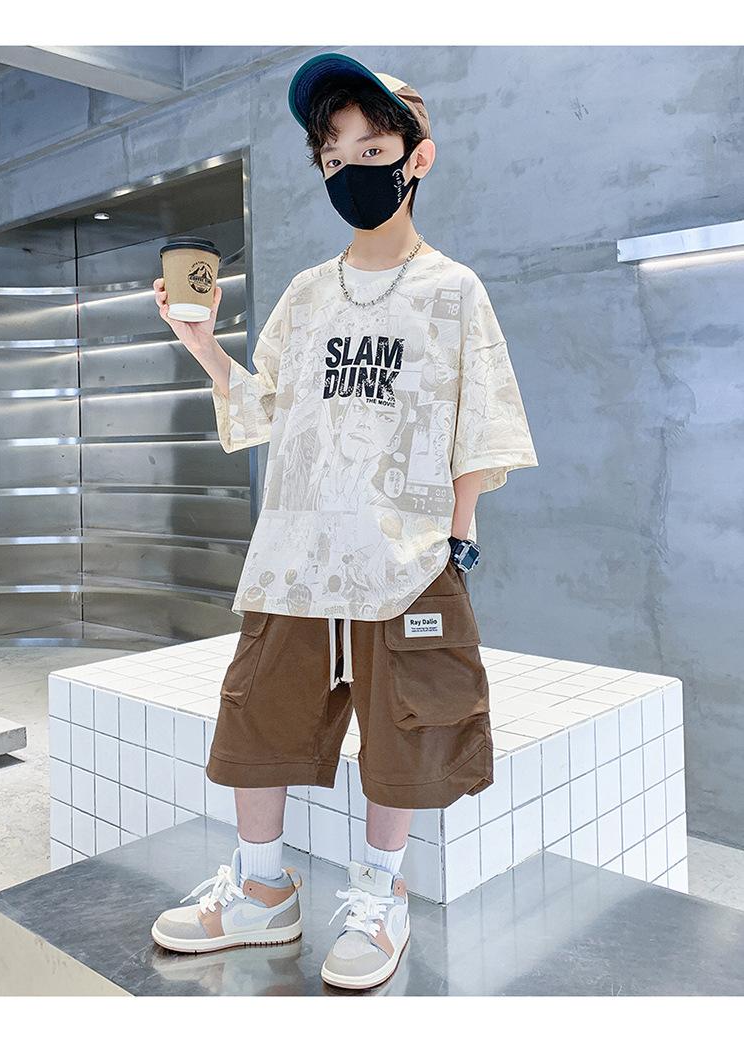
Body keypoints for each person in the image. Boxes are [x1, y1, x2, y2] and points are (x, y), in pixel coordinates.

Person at [149, 51, 539, 991]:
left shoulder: (453, 290)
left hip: (403, 555)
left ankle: (380, 897)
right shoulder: (306, 294)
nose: (351, 169)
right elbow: (268, 409)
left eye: (371, 149)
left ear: (417, 158)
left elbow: (481, 422)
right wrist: (204, 348)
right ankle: (261, 892)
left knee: (403, 729)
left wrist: (455, 540)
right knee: (257, 715)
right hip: (295, 551)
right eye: (333, 157)